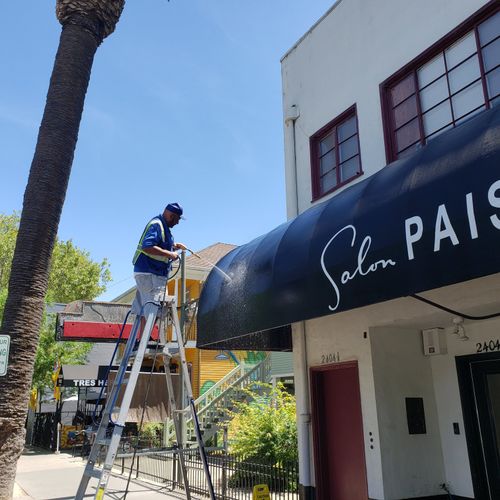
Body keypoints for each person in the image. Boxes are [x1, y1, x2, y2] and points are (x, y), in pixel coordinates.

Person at [131, 203, 187, 318]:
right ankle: (147, 336)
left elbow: (160, 244)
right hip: (151, 274)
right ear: (171, 215)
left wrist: (174, 245)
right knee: (154, 313)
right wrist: (170, 254)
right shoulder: (157, 225)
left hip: (148, 274)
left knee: (145, 313)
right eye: (177, 219)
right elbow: (147, 247)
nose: (177, 223)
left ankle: (143, 336)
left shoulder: (162, 226)